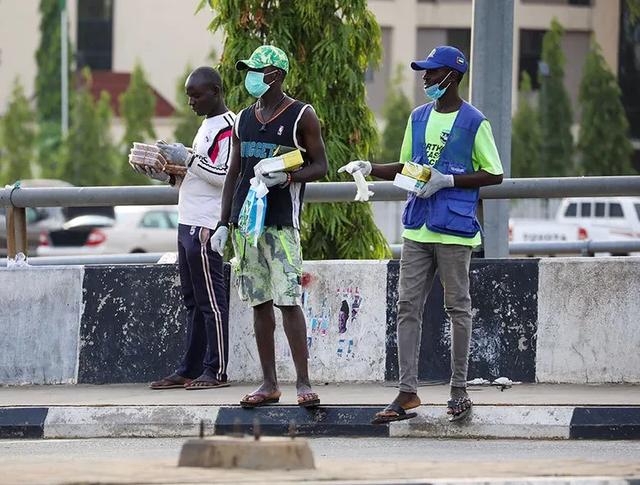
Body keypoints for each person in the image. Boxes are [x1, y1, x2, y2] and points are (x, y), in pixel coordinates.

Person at [339, 46, 504, 423]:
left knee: (457, 309)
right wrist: (371, 166)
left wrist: (448, 180)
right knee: (406, 306)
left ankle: (459, 391)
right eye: (424, 72)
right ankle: (407, 392)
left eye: (431, 72)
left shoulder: (474, 121)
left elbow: (494, 173)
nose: (425, 78)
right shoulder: (418, 117)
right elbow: (408, 168)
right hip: (419, 226)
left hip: (456, 230)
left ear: (452, 76)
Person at [214, 45, 328, 408]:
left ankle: (304, 383)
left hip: (280, 223)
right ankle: (268, 383)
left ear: (276, 75)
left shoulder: (301, 116)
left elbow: (320, 166)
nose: (250, 77)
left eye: (257, 71)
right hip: (247, 227)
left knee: (288, 301)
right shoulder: (244, 119)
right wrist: (223, 223)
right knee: (259, 303)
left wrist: (288, 177)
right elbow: (235, 171)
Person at [144, 66, 234, 390]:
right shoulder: (206, 126)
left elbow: (226, 176)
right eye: (188, 95)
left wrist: (189, 158)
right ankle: (190, 367)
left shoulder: (228, 127)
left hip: (206, 223)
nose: (191, 101)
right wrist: (168, 172)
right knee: (192, 300)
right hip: (187, 221)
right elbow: (198, 175)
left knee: (211, 300)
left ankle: (217, 369)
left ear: (215, 91)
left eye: (196, 95)